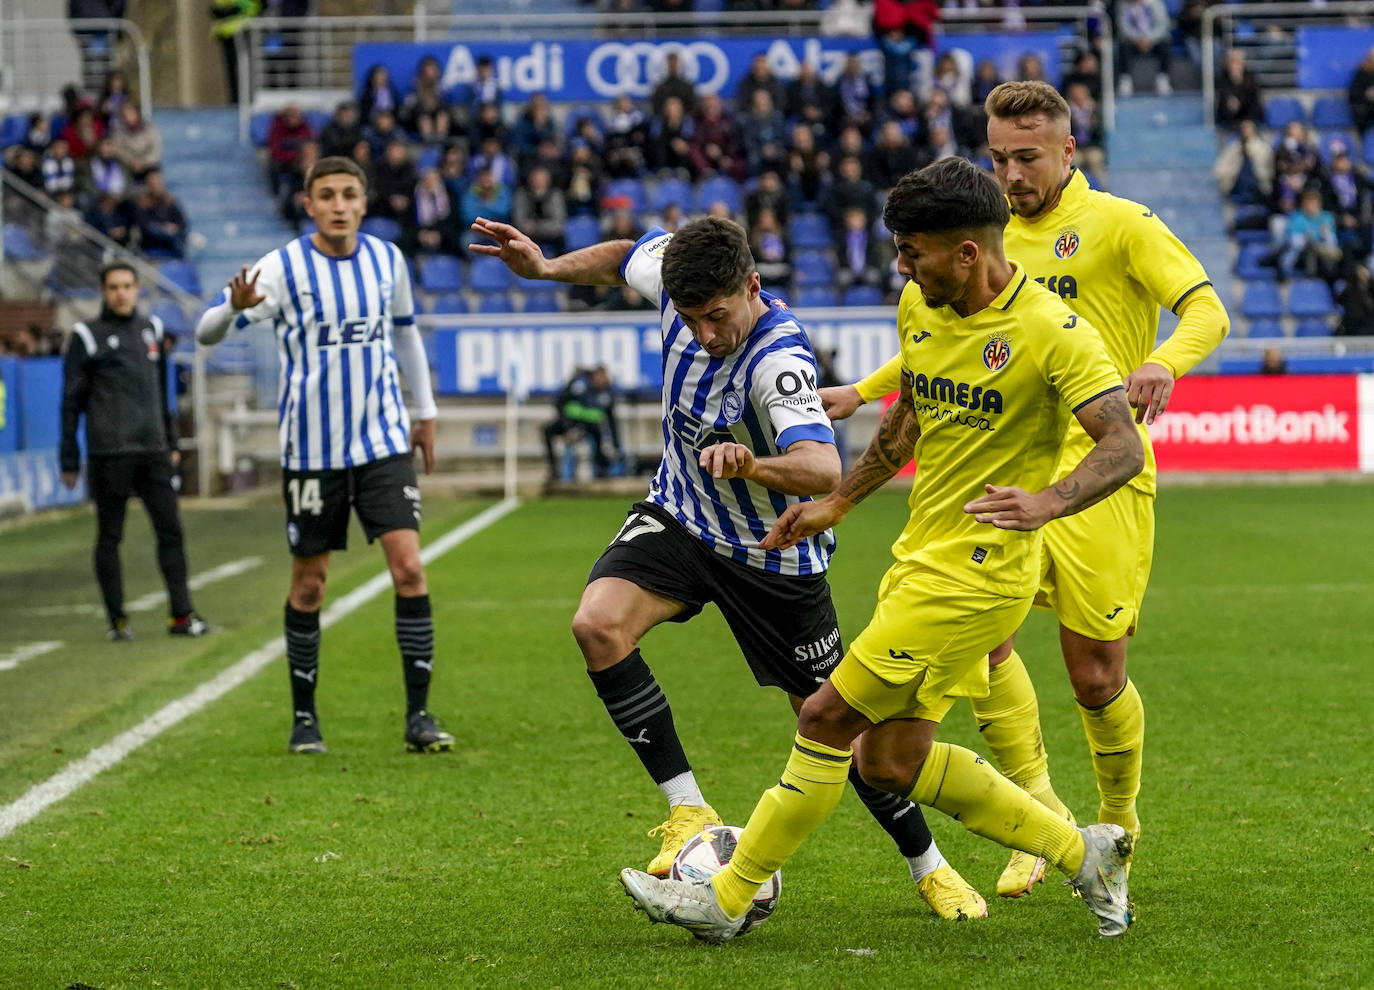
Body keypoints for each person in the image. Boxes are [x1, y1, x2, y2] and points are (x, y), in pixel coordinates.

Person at [619, 158, 1145, 943]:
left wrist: (1048, 501)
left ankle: (724, 898)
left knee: (827, 717)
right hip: (921, 558)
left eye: (914, 251)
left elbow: (1123, 445)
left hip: (979, 575)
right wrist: (833, 502)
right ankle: (1084, 855)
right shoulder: (920, 306)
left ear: (968, 252)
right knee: (889, 763)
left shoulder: (1051, 332)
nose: (900, 264)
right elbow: (906, 424)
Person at [469, 212, 989, 922]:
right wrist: (549, 267)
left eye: (717, 317)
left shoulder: (779, 361)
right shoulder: (679, 279)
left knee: (837, 724)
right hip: (682, 517)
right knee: (597, 626)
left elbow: (820, 466)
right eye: (691, 319)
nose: (706, 334)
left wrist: (753, 462)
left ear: (750, 285)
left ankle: (929, 866)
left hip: (773, 553)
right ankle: (688, 809)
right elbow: (628, 253)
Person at [821, 81, 1230, 898]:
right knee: (984, 644)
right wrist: (865, 394)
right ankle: (1040, 823)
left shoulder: (1121, 226)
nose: (1011, 173)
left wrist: (1162, 362)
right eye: (999, 156)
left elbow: (1207, 309)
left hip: (1098, 481)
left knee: (1095, 674)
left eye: (1028, 157)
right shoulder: (981, 236)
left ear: (1069, 150)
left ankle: (1119, 822)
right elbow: (948, 339)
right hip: (1007, 479)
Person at [194, 156, 453, 757]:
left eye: (349, 194)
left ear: (364, 203)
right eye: (326, 195)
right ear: (308, 204)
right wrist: (233, 307)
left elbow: (406, 333)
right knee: (309, 583)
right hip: (311, 452)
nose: (339, 204)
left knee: (409, 567)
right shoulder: (280, 268)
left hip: (383, 441)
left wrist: (426, 410)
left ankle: (419, 715)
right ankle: (304, 720)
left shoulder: (389, 260)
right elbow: (206, 331)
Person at [60, 262, 208, 641]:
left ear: (138, 288)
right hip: (110, 453)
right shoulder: (85, 336)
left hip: (153, 450)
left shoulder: (152, 330)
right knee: (110, 537)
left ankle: (181, 614)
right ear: (103, 291)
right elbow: (70, 402)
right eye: (113, 287)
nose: (121, 293)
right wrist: (69, 455)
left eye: (127, 286)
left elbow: (162, 393)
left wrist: (171, 442)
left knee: (171, 531)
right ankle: (118, 621)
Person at [543, 366, 621, 481]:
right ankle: (554, 469)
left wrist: (616, 444)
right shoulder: (578, 388)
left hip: (589, 427)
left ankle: (601, 470)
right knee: (547, 430)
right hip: (570, 424)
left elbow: (611, 420)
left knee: (597, 432)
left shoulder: (606, 394)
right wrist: (569, 429)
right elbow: (562, 406)